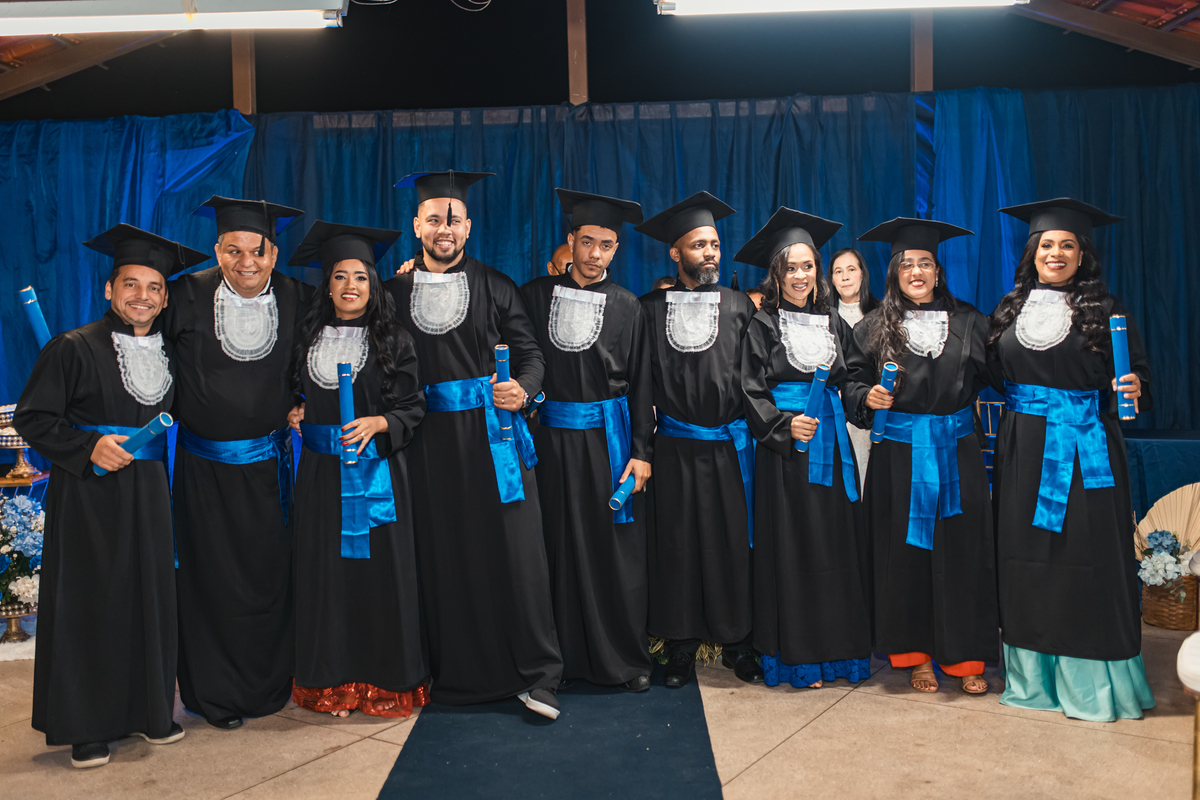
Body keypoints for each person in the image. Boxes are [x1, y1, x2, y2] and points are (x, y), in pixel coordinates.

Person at [15, 225, 207, 768]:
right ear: (109, 289)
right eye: (130, 284)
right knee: (92, 604)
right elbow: (33, 418)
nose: (142, 295)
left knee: (148, 598)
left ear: (165, 298)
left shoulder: (171, 352)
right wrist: (88, 446)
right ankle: (88, 727)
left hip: (150, 493)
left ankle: (150, 713)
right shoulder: (72, 346)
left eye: (154, 287)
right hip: (89, 496)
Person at [385, 170, 563, 720]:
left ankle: (538, 676)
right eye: (434, 219)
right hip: (423, 446)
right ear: (417, 225)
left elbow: (532, 356)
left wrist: (524, 390)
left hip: (494, 441)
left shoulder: (498, 285)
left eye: (454, 220)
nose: (445, 228)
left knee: (516, 556)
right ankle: (453, 672)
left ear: (469, 226)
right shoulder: (393, 292)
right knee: (442, 555)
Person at [989, 198, 1154, 722]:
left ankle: (1092, 685)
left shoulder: (1107, 311)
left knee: (1087, 558)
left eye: (1067, 245)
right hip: (1023, 449)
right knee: (1026, 560)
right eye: (1046, 244)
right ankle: (1032, 681)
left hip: (1086, 450)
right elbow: (987, 372)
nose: (1055, 253)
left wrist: (1134, 385)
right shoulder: (1009, 309)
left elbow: (1137, 376)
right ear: (1031, 252)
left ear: (1083, 255)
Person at [165, 196, 312, 730]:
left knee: (268, 576)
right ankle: (215, 695)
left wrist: (305, 400)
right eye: (233, 250)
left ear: (274, 253)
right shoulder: (184, 295)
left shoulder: (300, 298)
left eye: (257, 250)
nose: (246, 262)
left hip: (269, 470)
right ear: (216, 250)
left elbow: (332, 349)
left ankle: (270, 685)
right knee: (210, 580)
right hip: (201, 471)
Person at [845, 217, 999, 695]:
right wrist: (865, 397)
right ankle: (915, 656)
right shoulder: (872, 327)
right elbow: (850, 382)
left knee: (962, 552)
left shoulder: (970, 321)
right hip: (899, 456)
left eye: (926, 263)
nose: (917, 272)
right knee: (905, 555)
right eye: (907, 264)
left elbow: (1005, 373)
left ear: (938, 271)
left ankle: (966, 657)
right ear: (894, 272)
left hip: (958, 452)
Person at [285, 221, 430, 718]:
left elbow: (414, 406)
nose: (351, 286)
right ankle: (333, 684)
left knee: (378, 577)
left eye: (361, 277)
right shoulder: (306, 337)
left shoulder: (394, 339)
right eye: (340, 276)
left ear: (374, 284)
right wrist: (296, 408)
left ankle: (382, 683)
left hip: (376, 474)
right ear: (327, 285)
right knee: (327, 577)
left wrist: (379, 422)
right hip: (321, 477)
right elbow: (292, 390)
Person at [521, 189, 654, 693]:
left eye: (607, 245)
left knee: (611, 552)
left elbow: (642, 386)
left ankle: (620, 660)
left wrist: (641, 453)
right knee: (551, 548)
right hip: (548, 445)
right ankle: (552, 663)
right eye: (587, 242)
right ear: (571, 240)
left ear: (616, 249)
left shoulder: (629, 306)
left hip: (608, 446)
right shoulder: (534, 296)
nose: (596, 254)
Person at [736, 208, 870, 690]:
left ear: (818, 269)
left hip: (832, 450)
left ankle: (839, 652)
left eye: (807, 266)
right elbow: (750, 389)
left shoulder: (833, 321)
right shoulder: (762, 323)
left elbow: (852, 376)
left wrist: (864, 398)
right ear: (776, 274)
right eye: (790, 267)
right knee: (793, 548)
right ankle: (799, 658)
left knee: (835, 544)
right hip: (786, 455)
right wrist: (783, 426)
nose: (800, 275)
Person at [635, 191, 761, 688]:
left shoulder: (739, 306)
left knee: (731, 544)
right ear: (675, 253)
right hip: (674, 447)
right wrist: (643, 449)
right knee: (679, 545)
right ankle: (681, 646)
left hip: (730, 446)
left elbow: (756, 380)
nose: (710, 253)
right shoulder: (648, 309)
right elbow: (640, 387)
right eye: (698, 245)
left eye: (714, 245)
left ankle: (738, 643)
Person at [827, 248, 877, 485]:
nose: (845, 277)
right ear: (831, 278)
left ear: (862, 274)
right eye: (838, 271)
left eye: (851, 269)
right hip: (833, 415)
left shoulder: (882, 315)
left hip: (870, 413)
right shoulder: (822, 317)